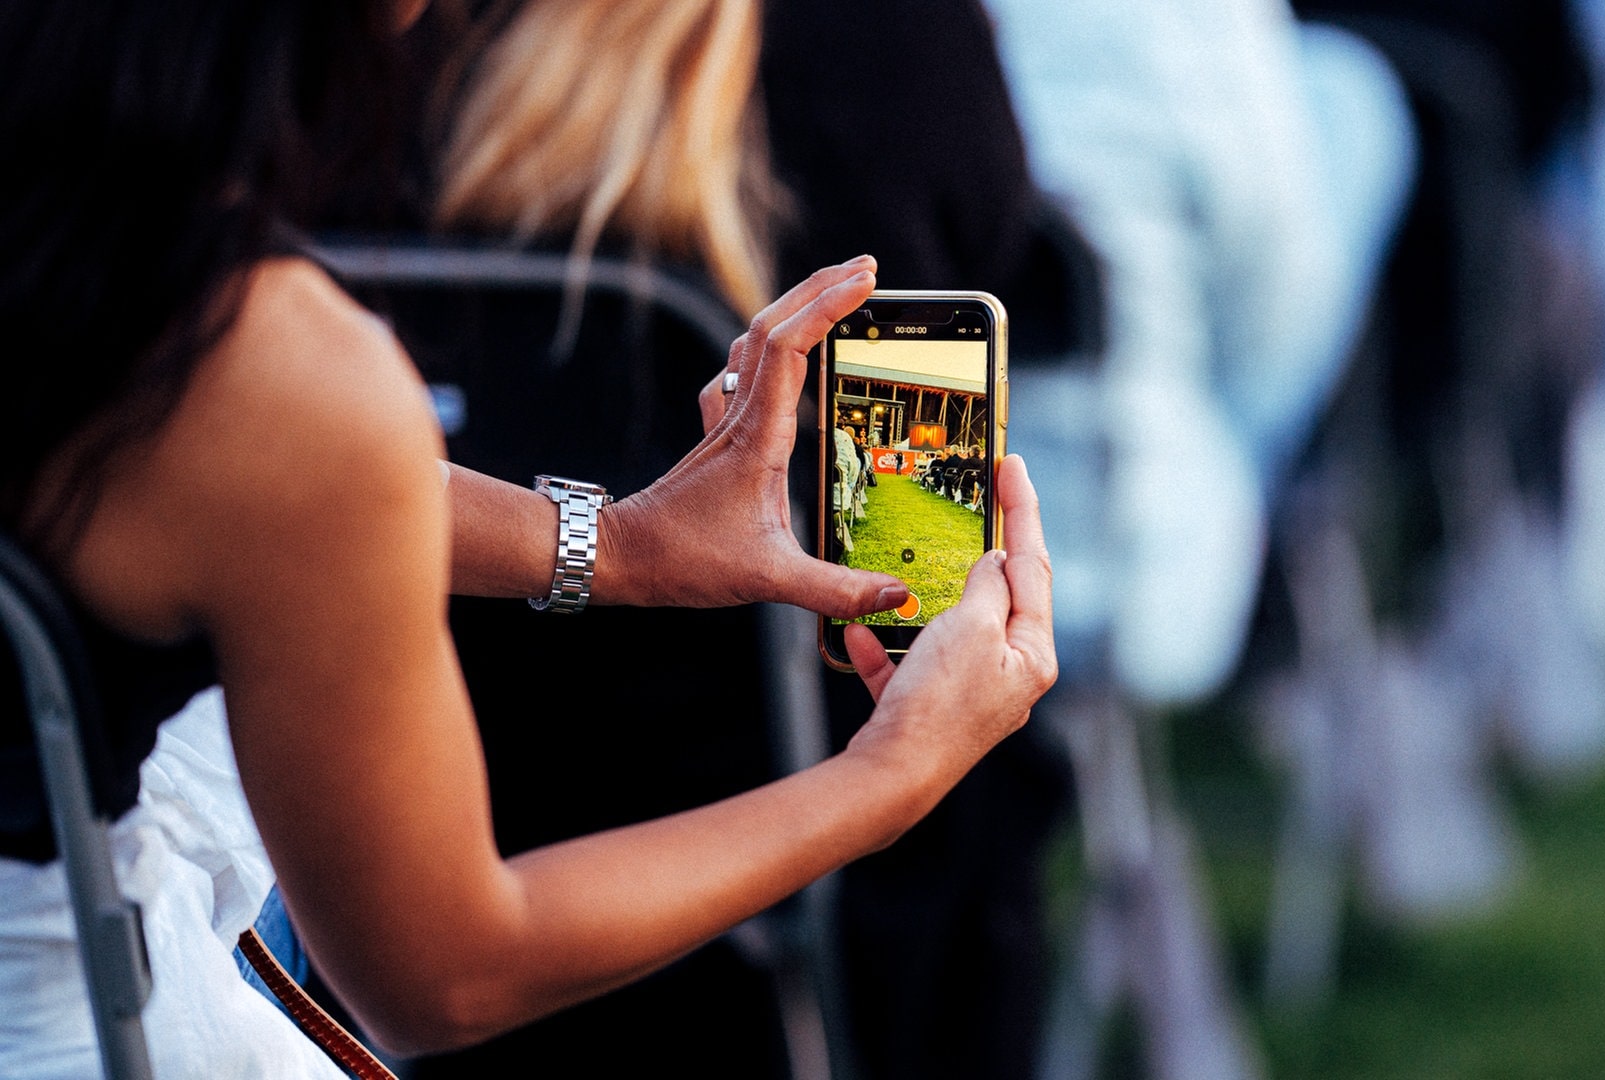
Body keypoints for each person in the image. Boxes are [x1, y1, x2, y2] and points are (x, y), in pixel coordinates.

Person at [0, 2, 1056, 1075]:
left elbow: (229, 473)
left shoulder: (96, 288)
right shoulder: (253, 356)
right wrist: (893, 773)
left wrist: (624, 545)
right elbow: (443, 977)